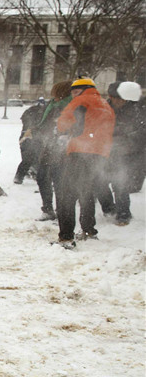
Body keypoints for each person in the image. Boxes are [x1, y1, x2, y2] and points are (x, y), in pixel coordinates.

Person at [53, 77, 116, 249]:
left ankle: (66, 237)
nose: (73, 95)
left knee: (66, 194)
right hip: (100, 154)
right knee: (86, 192)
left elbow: (63, 124)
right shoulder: (104, 104)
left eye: (75, 91)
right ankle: (88, 231)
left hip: (80, 152)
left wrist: (61, 127)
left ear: (83, 90)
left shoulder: (81, 100)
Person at [33, 80, 73, 221]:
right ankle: (48, 209)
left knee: (58, 181)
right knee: (43, 178)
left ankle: (60, 212)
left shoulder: (66, 106)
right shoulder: (53, 105)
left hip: (59, 149)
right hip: (48, 147)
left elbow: (57, 126)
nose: (53, 96)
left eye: (55, 93)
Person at [105, 81, 144, 226]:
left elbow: (140, 132)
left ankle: (123, 213)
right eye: (116, 98)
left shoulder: (136, 110)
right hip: (105, 150)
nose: (120, 101)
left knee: (120, 182)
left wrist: (122, 138)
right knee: (99, 182)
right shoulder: (103, 108)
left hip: (127, 152)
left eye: (122, 98)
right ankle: (108, 208)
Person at [14, 97, 46, 184]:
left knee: (32, 156)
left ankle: (28, 173)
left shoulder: (30, 110)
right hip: (29, 136)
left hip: (31, 136)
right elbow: (27, 122)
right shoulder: (36, 111)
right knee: (30, 156)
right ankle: (24, 174)